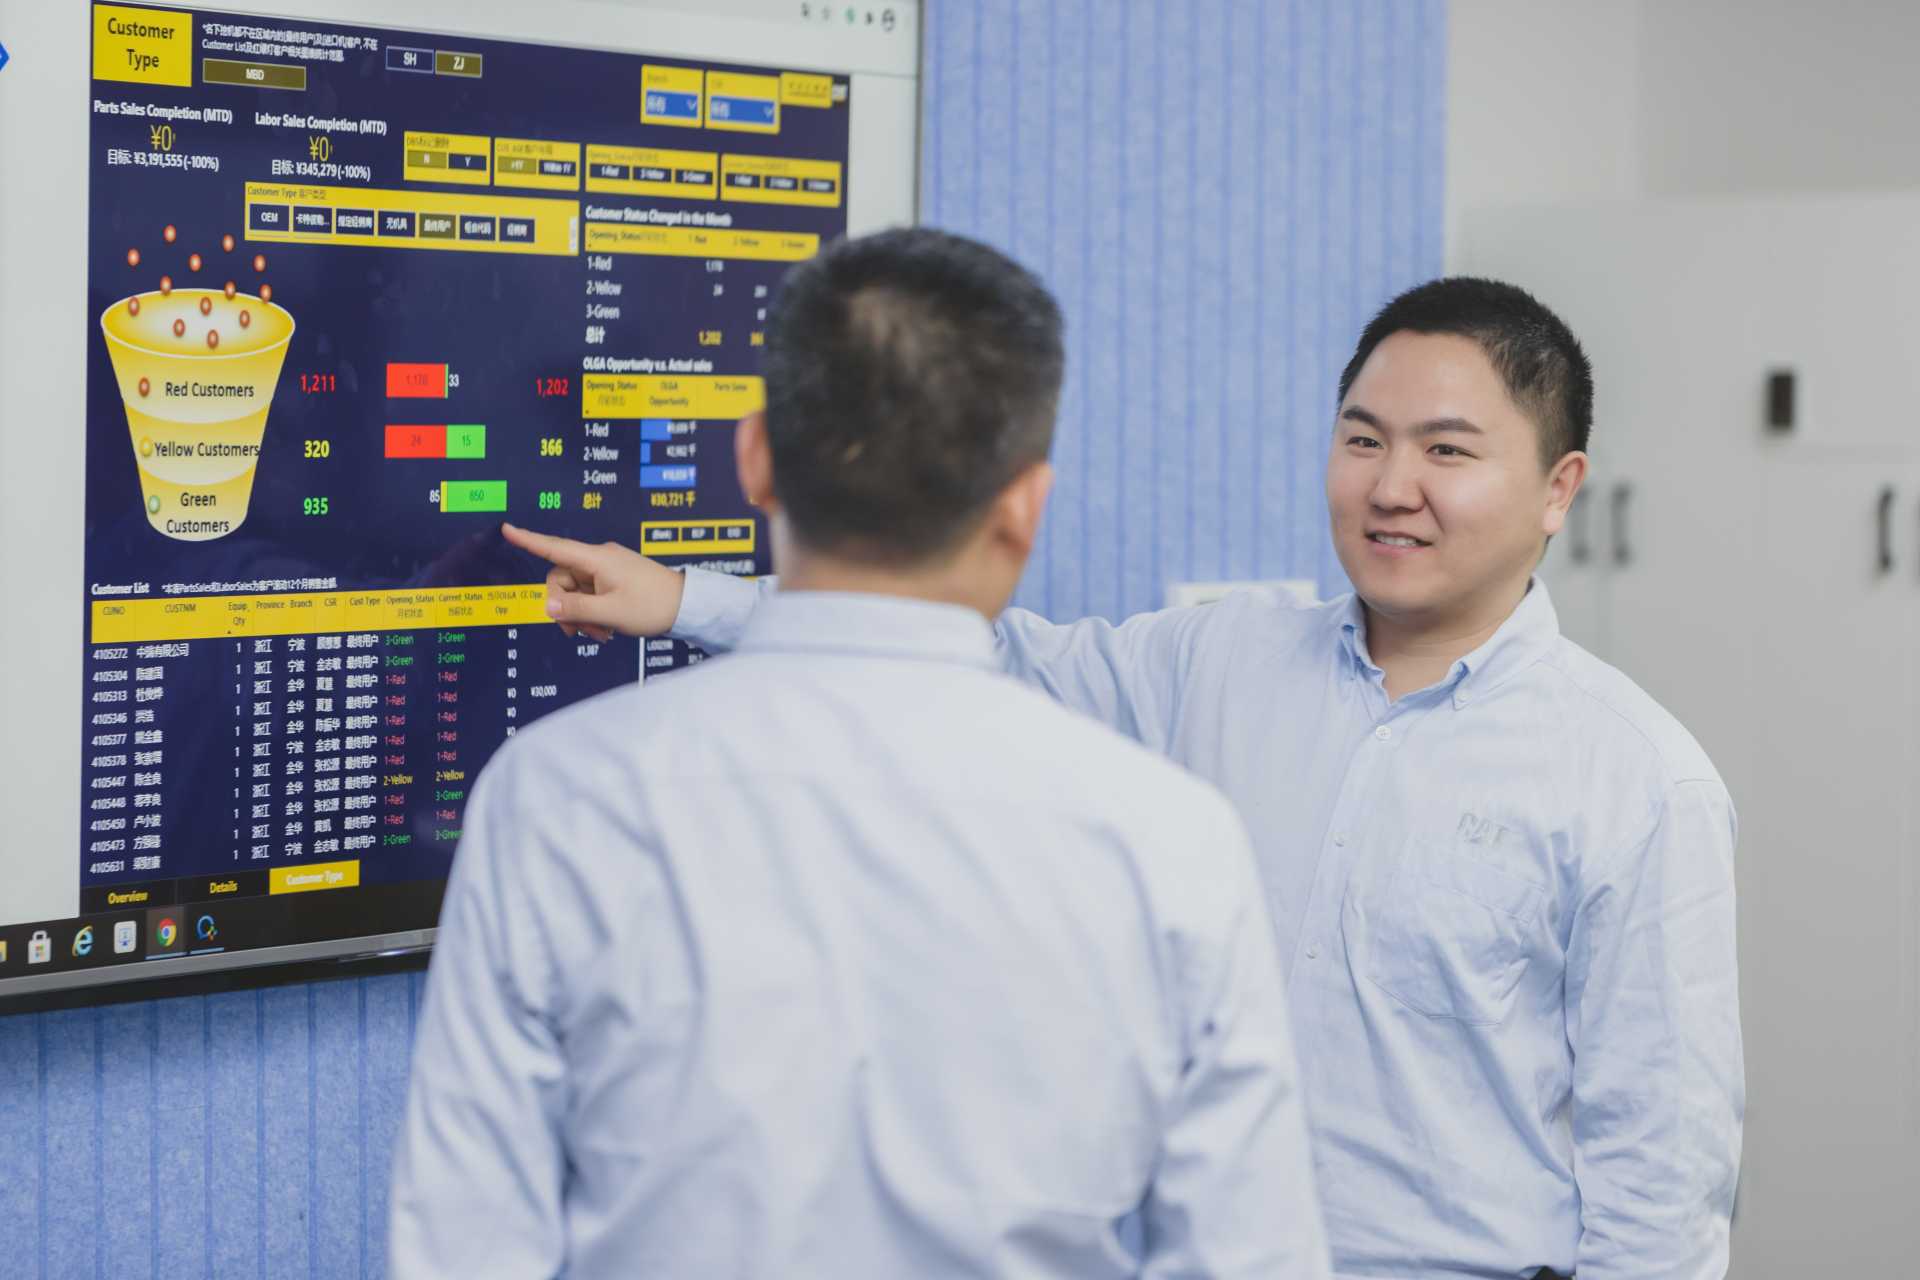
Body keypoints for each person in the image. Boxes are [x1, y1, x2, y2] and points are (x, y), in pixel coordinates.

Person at [511, 276, 1745, 1279]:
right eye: (1363, 438)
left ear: (1558, 489)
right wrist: (685, 599)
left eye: (1448, 449)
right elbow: (987, 659)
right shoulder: (1220, 659)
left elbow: (1663, 1173)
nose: (1390, 486)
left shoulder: (1635, 779)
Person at [391, 227, 1332, 1279]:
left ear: (755, 458)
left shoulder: (557, 797)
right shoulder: (1172, 842)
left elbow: (465, 1240)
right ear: (1026, 505)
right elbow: (1248, 1257)